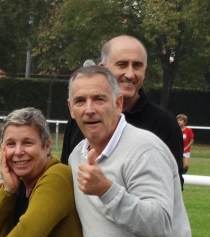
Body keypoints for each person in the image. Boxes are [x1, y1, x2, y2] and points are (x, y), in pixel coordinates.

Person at [67, 65, 191, 237]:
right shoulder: (76, 156)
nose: (89, 109)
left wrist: (106, 191)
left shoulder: (145, 150)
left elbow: (159, 225)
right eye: (80, 101)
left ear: (117, 104)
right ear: (71, 109)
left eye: (99, 99)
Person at [60, 35, 184, 188]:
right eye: (122, 64)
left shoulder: (164, 124)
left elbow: (170, 190)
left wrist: (106, 190)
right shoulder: (81, 119)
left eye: (137, 65)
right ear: (103, 68)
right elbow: (66, 177)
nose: (130, 74)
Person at [0, 108, 84, 237]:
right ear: (2, 149)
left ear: (47, 146)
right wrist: (7, 192)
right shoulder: (17, 185)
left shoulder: (58, 176)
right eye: (11, 144)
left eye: (28, 143)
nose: (18, 152)